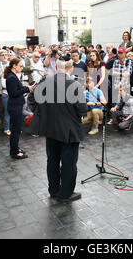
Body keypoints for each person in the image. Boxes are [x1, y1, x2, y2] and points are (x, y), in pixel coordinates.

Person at [28, 58, 88, 202]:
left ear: (55, 67)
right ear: (71, 68)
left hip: (50, 129)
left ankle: (54, 190)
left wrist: (43, 114)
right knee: (68, 163)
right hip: (69, 131)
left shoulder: (45, 82)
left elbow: (31, 99)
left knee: (52, 160)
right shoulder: (74, 84)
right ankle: (65, 194)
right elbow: (82, 110)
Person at [5, 58, 36, 159]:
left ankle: (16, 147)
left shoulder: (13, 76)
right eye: (20, 66)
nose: (22, 68)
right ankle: (14, 152)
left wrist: (27, 88)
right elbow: (14, 93)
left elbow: (17, 89)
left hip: (16, 105)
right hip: (15, 106)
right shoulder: (11, 77)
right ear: (14, 65)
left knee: (17, 129)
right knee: (15, 130)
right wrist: (28, 89)